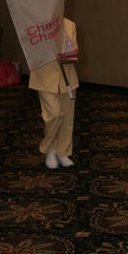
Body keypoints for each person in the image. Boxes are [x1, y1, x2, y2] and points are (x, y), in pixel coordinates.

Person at [29, 17, 79, 169]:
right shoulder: (35, 26)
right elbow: (31, 53)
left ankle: (63, 151)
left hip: (67, 78)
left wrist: (67, 57)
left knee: (67, 117)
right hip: (44, 78)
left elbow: (75, 52)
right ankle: (49, 148)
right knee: (54, 114)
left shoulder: (69, 24)